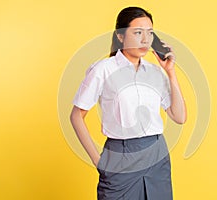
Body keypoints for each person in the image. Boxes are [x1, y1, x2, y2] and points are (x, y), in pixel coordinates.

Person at [70, 6, 186, 200]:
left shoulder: (156, 73)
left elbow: (180, 117)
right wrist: (98, 161)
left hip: (157, 156)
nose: (145, 40)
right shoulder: (103, 70)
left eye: (149, 33)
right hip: (119, 156)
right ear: (121, 36)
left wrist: (171, 72)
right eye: (137, 32)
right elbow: (76, 116)